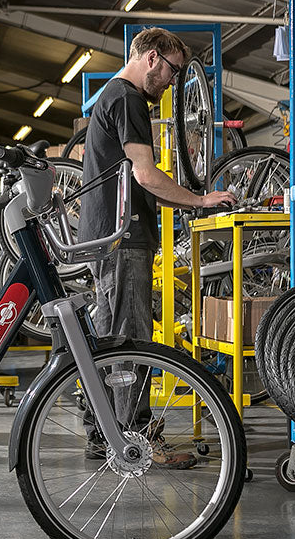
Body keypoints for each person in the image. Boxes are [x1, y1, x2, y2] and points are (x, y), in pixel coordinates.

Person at [78, 28, 236, 466]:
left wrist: (184, 199)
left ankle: (102, 434)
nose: (172, 82)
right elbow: (145, 174)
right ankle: (135, 440)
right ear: (151, 58)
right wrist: (201, 201)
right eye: (173, 71)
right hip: (123, 237)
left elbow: (138, 179)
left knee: (110, 342)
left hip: (107, 237)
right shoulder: (127, 98)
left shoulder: (112, 97)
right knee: (131, 341)